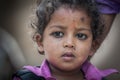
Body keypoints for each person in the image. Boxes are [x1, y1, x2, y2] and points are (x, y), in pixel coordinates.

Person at [13, 0, 120, 80]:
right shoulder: (26, 78)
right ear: (40, 42)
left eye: (81, 36)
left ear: (93, 46)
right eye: (58, 34)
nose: (69, 43)